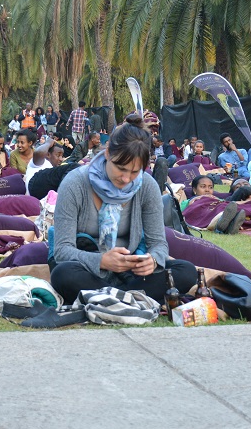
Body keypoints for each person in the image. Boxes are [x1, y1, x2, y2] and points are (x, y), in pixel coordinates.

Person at [50, 113, 198, 302]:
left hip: (131, 272)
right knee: (63, 275)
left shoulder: (147, 186)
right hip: (89, 269)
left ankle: (111, 298)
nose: (126, 178)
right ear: (107, 153)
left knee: (186, 271)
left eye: (135, 172)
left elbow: (159, 245)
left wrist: (151, 260)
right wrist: (102, 261)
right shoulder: (75, 183)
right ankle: (133, 298)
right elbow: (62, 251)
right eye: (120, 168)